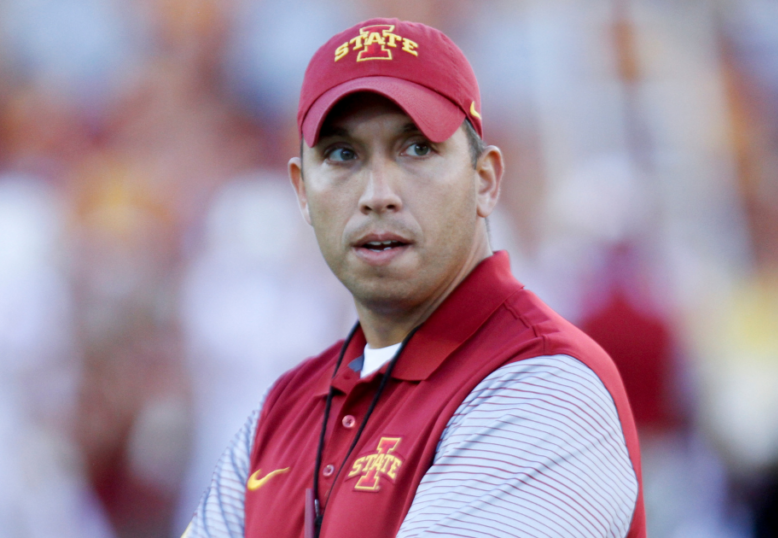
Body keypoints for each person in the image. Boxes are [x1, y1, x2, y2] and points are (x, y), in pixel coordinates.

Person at [183, 18, 646, 538]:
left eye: (417, 148)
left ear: (486, 181)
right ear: (301, 192)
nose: (378, 193)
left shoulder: (547, 387)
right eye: (342, 154)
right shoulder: (281, 412)